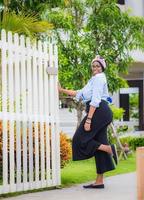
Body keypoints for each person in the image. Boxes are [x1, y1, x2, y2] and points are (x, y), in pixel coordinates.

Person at [58, 55, 118, 189]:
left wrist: (89, 119)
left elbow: (95, 100)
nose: (95, 68)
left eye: (98, 66)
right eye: (93, 66)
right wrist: (62, 91)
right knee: (98, 144)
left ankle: (109, 149)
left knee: (79, 138)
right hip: (102, 112)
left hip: (98, 111)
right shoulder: (93, 80)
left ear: (102, 68)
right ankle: (99, 181)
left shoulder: (98, 78)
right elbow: (80, 93)